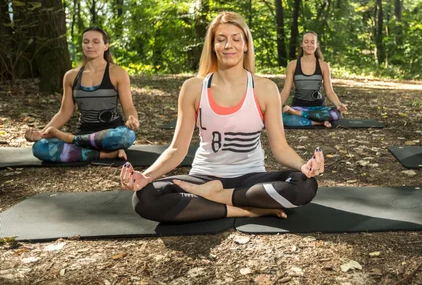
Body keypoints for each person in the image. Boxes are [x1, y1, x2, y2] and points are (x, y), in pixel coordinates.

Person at [121, 12, 323, 223]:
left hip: (250, 180)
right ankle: (246, 210)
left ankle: (218, 197)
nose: (229, 45)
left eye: (236, 39)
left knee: (304, 185)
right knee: (145, 198)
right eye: (221, 39)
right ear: (213, 45)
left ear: (246, 45)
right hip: (204, 177)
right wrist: (147, 176)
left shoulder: (265, 88)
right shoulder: (193, 88)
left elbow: (280, 148)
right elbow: (176, 150)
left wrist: (303, 165)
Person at [24, 27, 138, 162]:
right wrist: (42, 134)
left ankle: (71, 140)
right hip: (84, 134)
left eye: (96, 42)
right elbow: (65, 112)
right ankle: (105, 154)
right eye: (86, 42)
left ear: (106, 46)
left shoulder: (118, 73)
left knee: (126, 136)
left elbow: (128, 107)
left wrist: (132, 119)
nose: (90, 45)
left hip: (111, 135)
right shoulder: (71, 76)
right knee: (39, 147)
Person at [279, 31, 347, 127]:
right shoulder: (292, 65)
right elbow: (286, 91)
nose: (309, 45)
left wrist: (338, 104)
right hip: (298, 107)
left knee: (336, 113)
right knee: (281, 118)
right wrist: (275, 107)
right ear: (301, 44)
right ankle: (318, 122)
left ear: (317, 45)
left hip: (318, 108)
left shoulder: (324, 65)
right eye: (306, 42)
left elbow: (329, 91)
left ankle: (301, 116)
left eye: (312, 42)